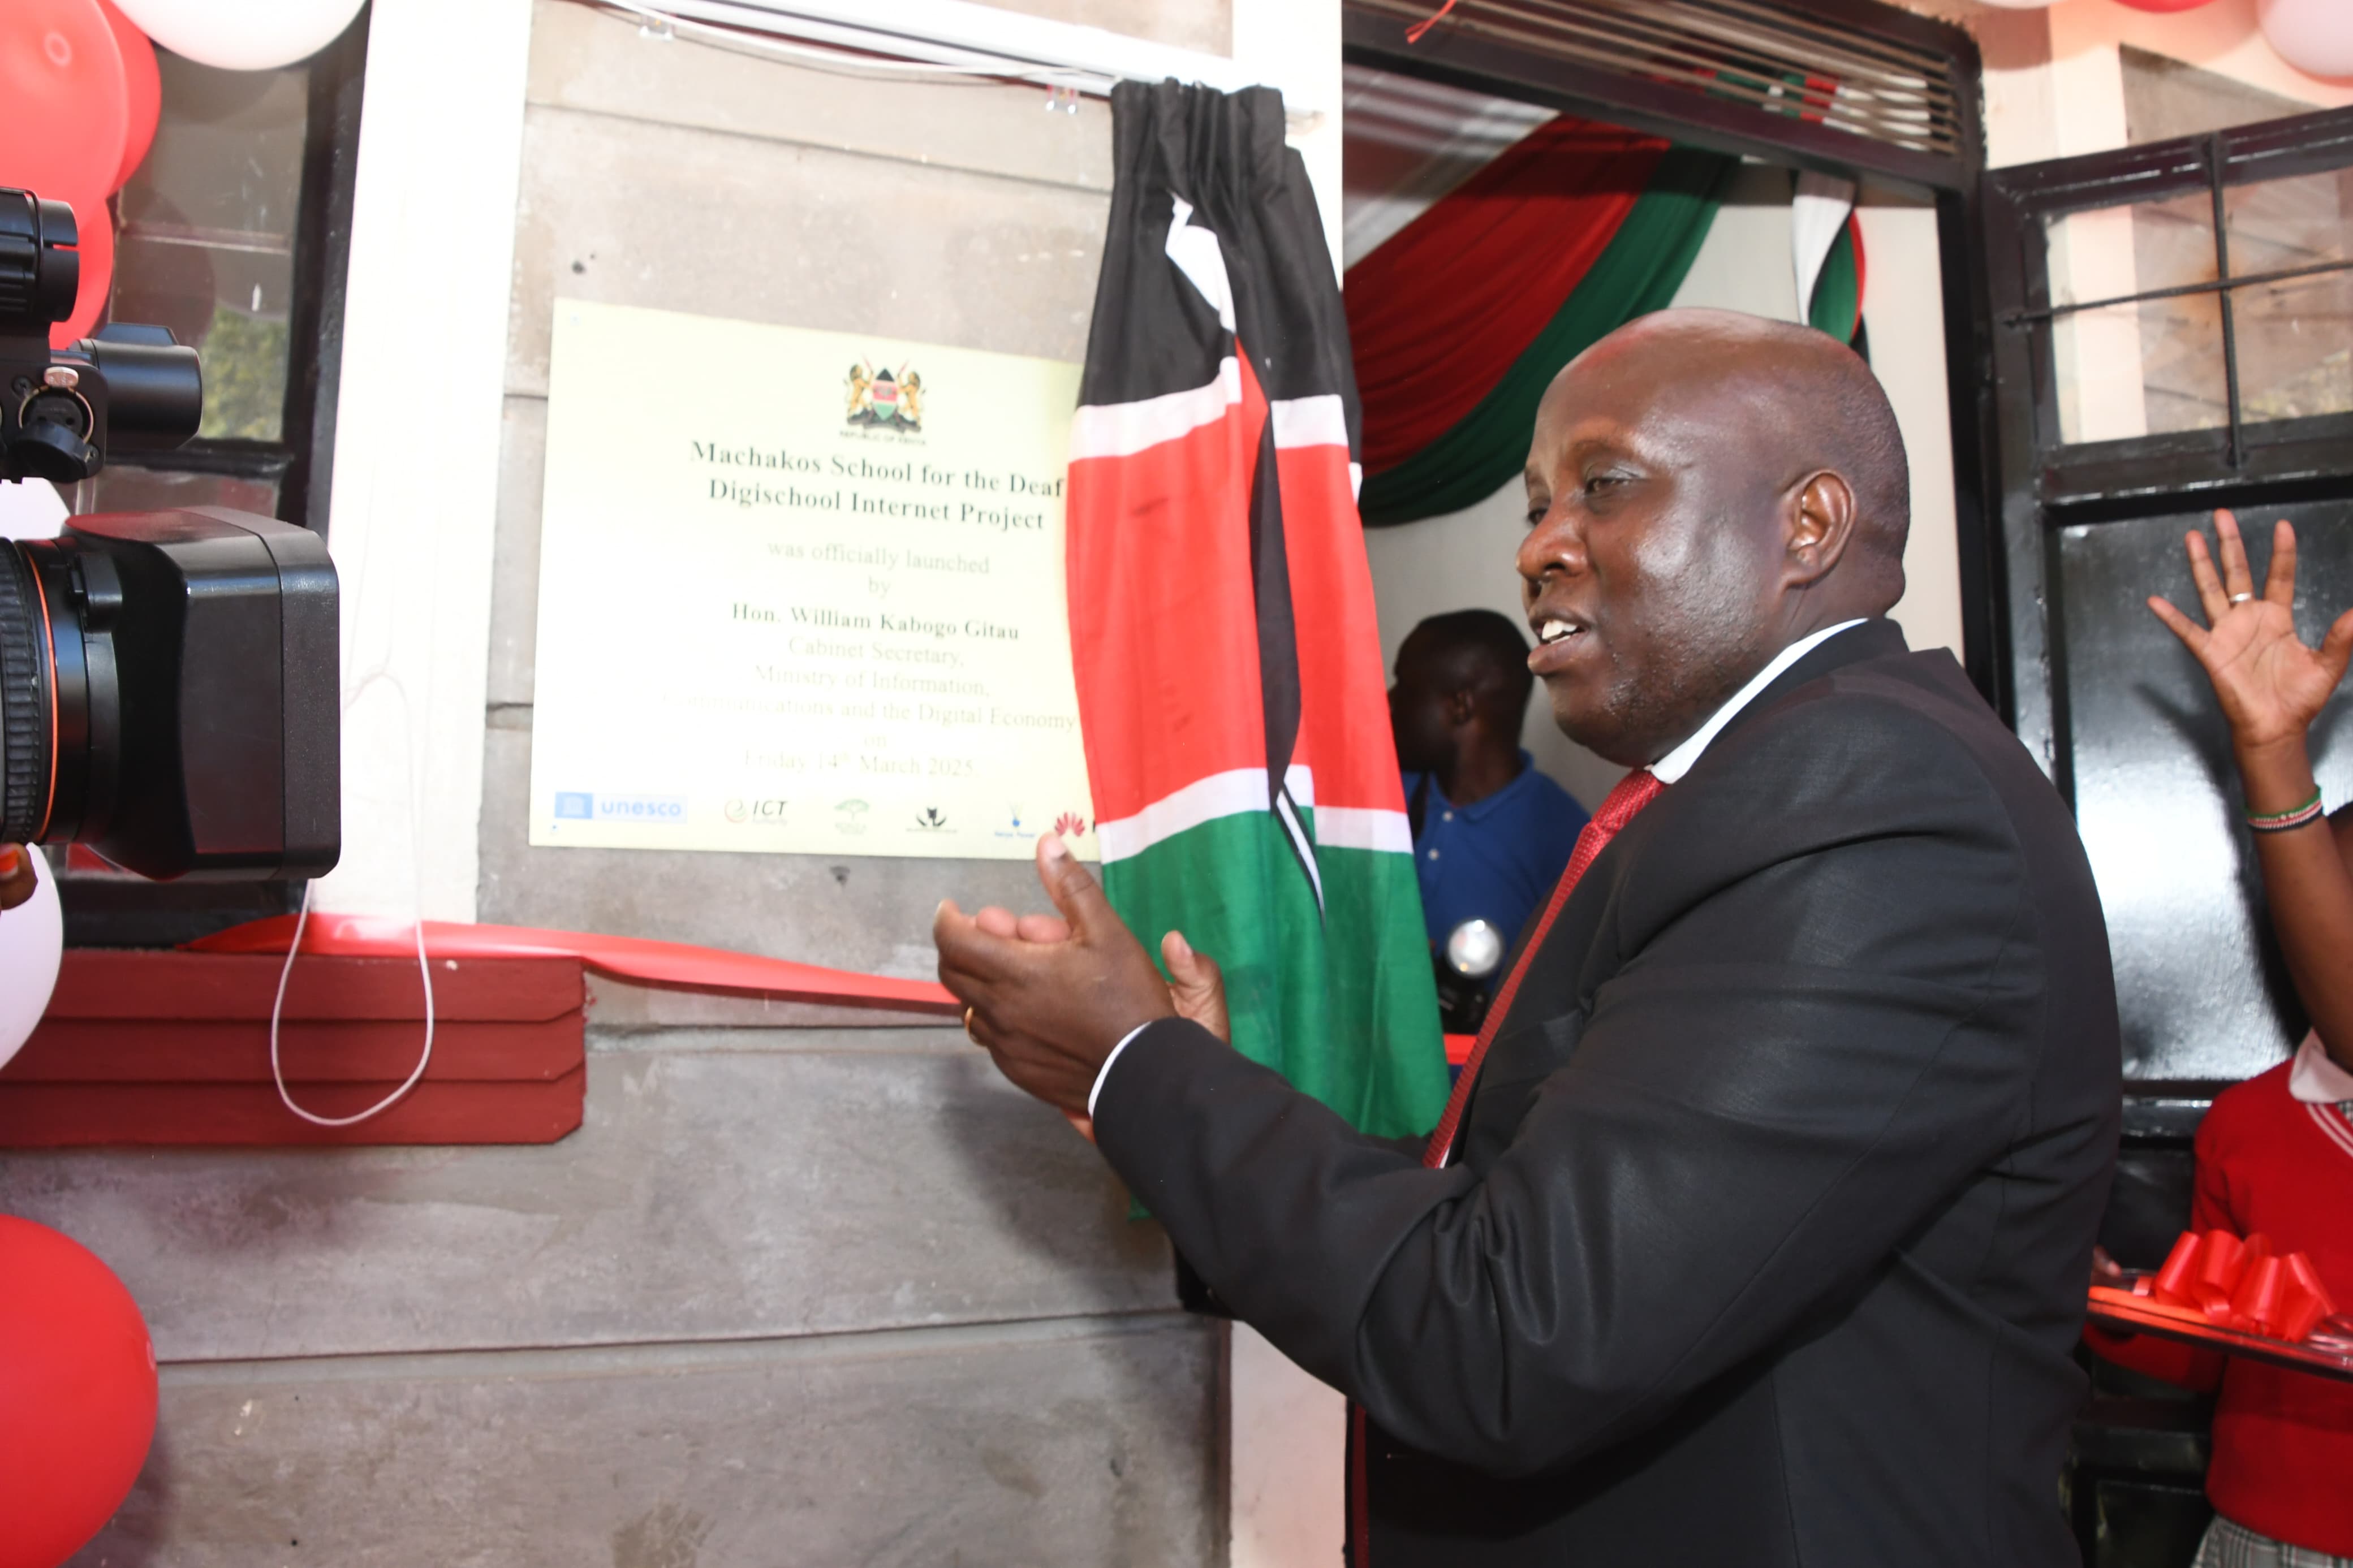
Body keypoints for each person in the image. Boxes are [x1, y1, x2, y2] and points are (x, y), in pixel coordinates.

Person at [936, 308, 2120, 1566]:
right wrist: (1195, 1083)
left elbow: (1522, 1332)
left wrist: (1140, 1071)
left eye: (1602, 487)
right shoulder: (1746, 791)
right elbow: (1524, 1197)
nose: (1540, 549)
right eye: (1535, 504)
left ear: (1806, 526)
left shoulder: (1869, 798)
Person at [2090, 508, 2353, 1567]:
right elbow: (2221, 1349)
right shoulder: (2248, 1122)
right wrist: (2112, 1302)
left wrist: (2274, 751)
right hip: (2264, 1537)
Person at [1390, 610, 1587, 966]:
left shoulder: (1566, 841)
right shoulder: (1383, 799)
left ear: (1460, 707)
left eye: (1403, 687)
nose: (1387, 703)